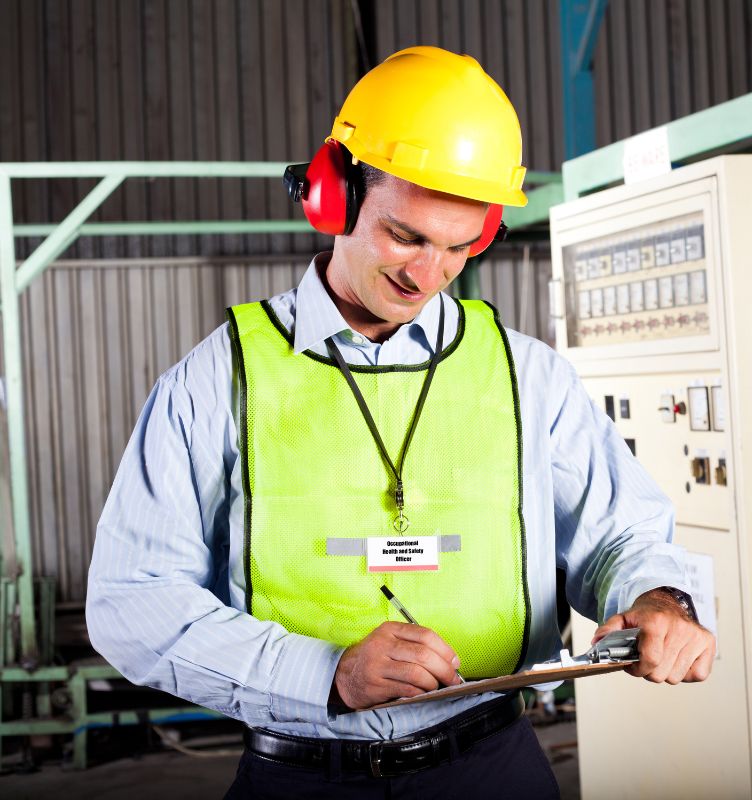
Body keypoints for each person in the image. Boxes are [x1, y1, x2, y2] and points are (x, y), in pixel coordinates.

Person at [86, 46, 714, 799]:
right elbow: (132, 600)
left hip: (494, 764)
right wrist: (329, 673)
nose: (427, 275)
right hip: (302, 774)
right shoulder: (216, 381)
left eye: (459, 247)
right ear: (333, 194)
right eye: (406, 237)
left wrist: (659, 599)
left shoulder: (529, 377)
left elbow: (621, 533)